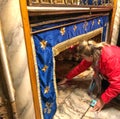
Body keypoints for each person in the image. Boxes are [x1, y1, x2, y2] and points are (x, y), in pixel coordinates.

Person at [58, 40, 120, 112]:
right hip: (116, 69)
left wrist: (102, 101)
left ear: (90, 56)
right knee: (105, 86)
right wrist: (67, 78)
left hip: (116, 68)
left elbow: (117, 84)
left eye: (83, 57)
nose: (83, 59)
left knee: (113, 90)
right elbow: (81, 67)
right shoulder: (94, 52)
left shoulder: (110, 60)